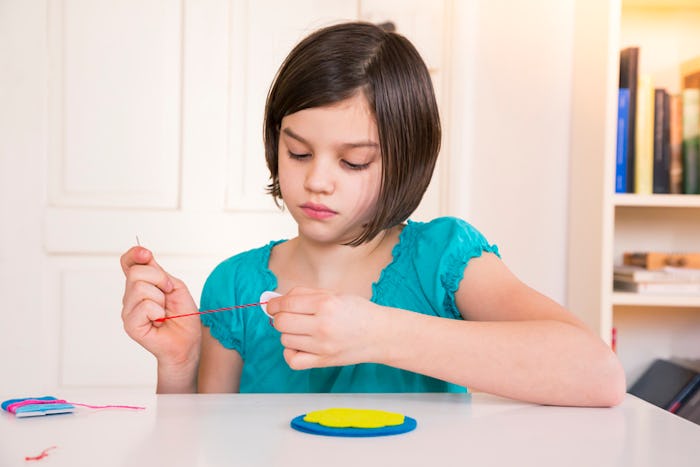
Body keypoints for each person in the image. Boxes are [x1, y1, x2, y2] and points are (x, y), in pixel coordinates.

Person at [120, 21, 625, 406]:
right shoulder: (232, 284)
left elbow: (599, 376)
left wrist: (376, 333)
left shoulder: (442, 258)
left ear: (406, 159)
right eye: (298, 153)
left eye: (354, 161)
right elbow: (199, 448)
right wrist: (180, 367)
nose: (318, 179)